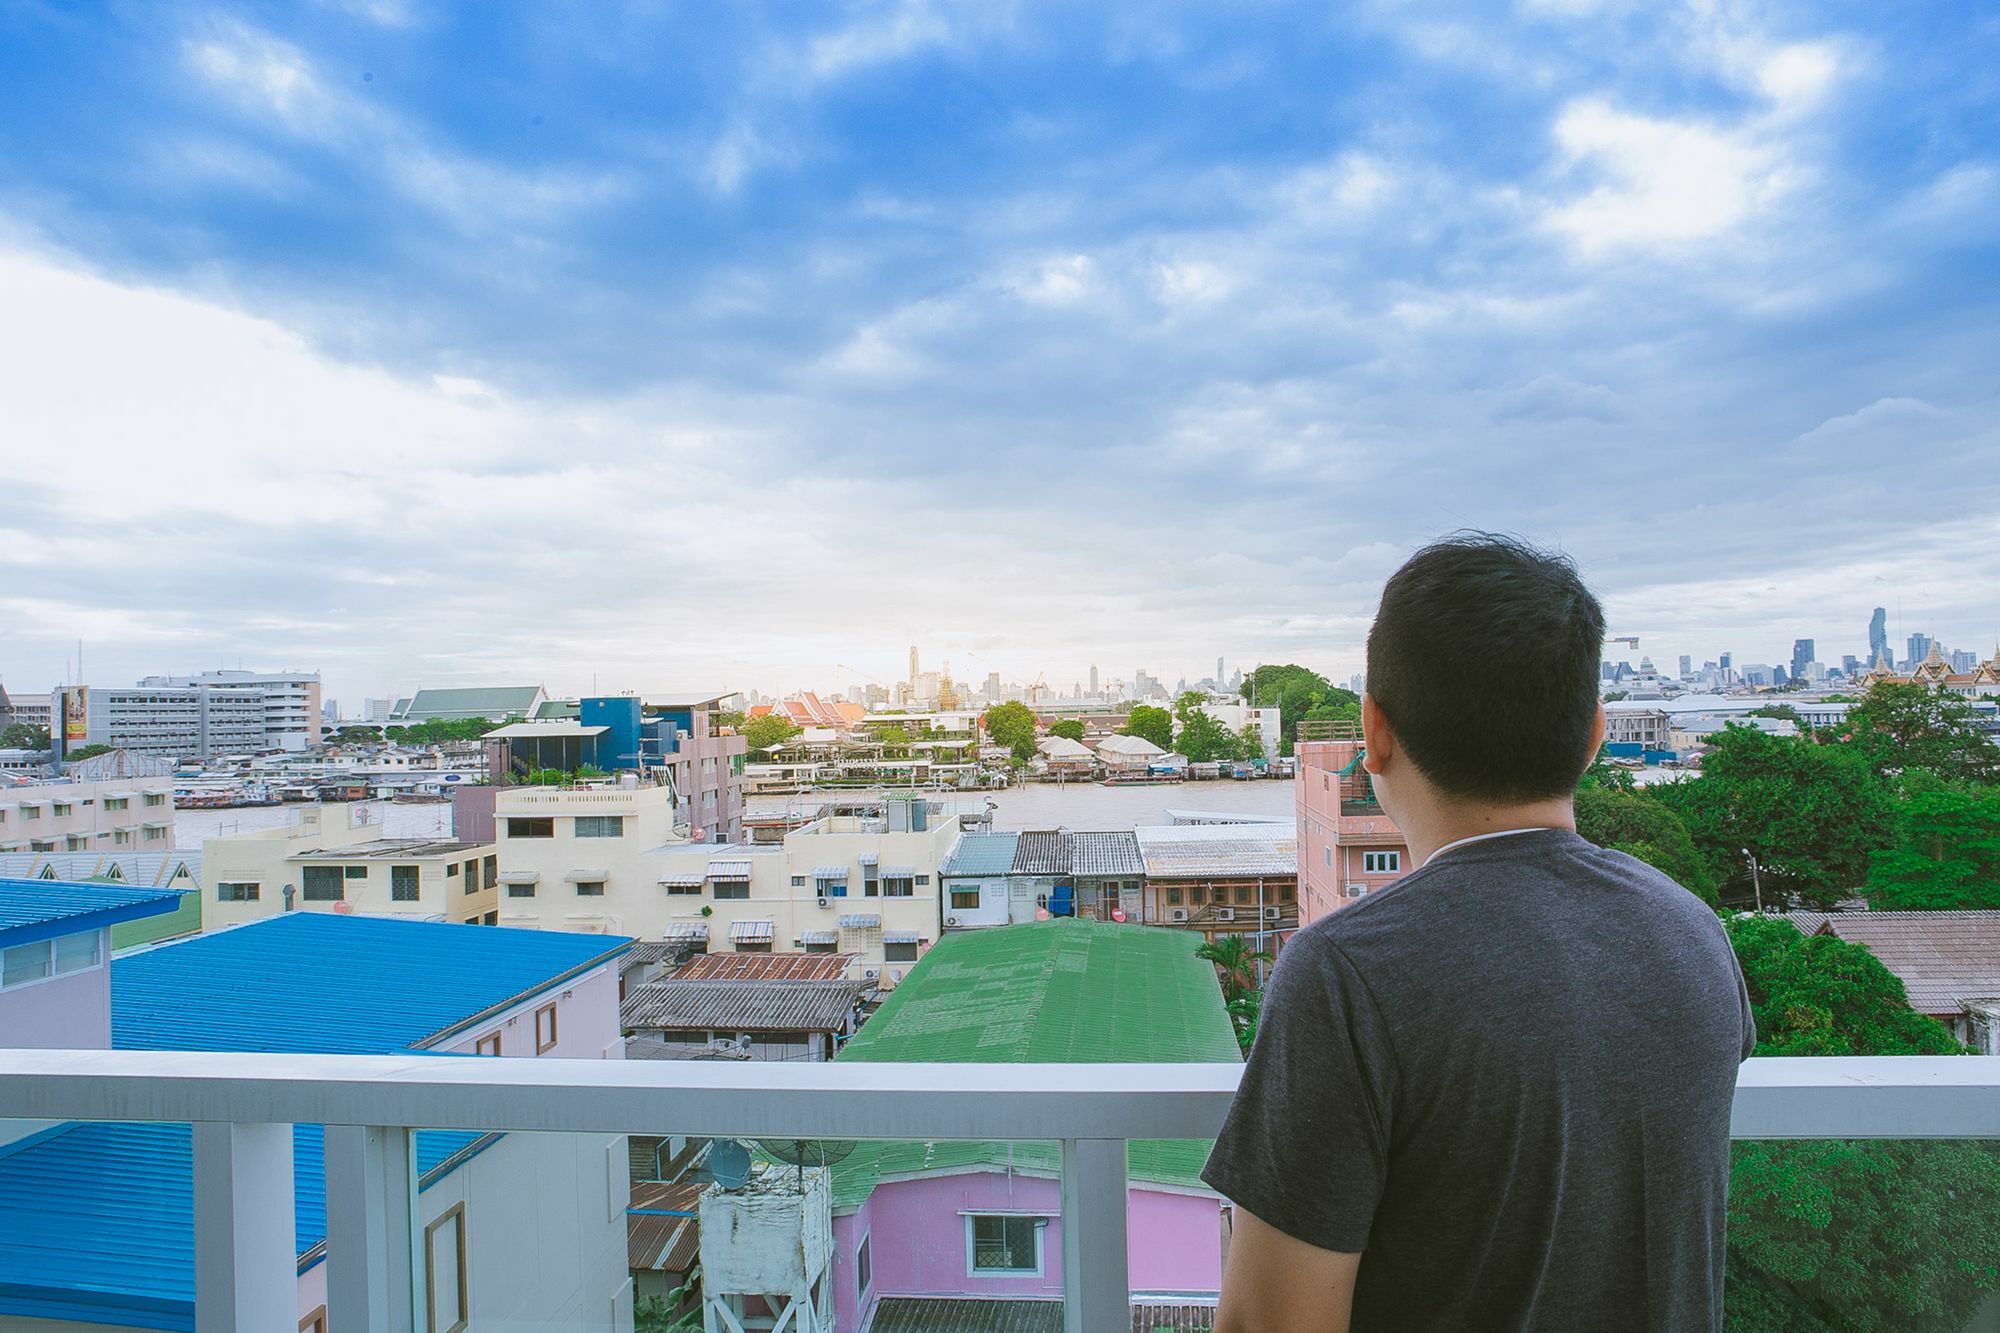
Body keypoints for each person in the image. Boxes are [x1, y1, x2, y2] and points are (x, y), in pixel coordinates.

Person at [1204, 533, 1754, 1332]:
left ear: (1375, 733)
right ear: (1595, 735)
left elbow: (1271, 1322)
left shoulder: (1351, 972)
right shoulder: (1694, 932)